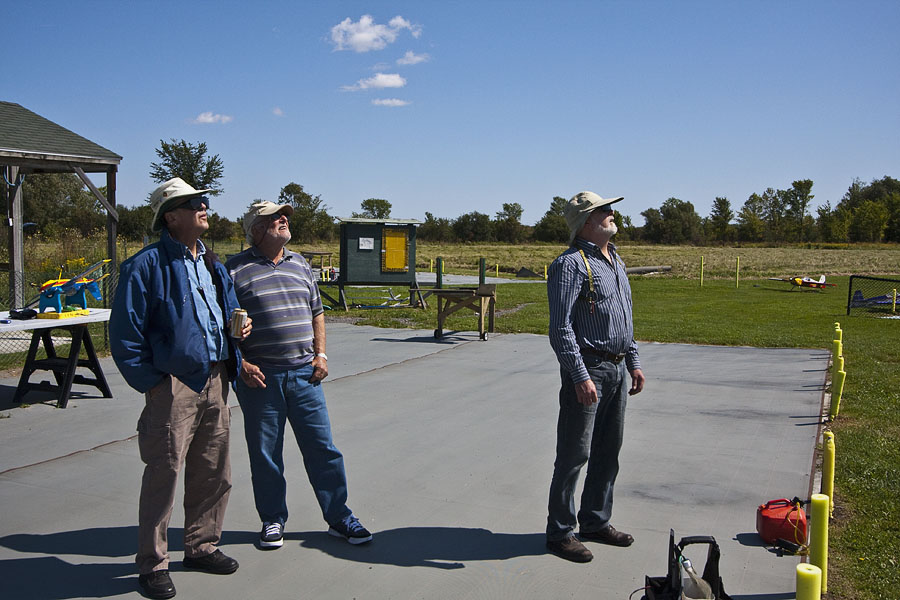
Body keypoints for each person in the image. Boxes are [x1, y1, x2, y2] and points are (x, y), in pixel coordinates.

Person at [110, 177, 251, 599]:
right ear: (171, 216)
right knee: (163, 474)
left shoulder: (212, 263)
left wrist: (239, 326)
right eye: (193, 203)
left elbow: (226, 312)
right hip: (172, 385)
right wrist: (153, 385)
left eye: (204, 201)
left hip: (216, 378)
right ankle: (153, 564)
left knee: (213, 469)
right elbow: (124, 335)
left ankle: (201, 546)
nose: (204, 207)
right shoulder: (145, 266)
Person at [225, 200, 372, 551]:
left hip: (305, 375)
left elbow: (317, 313)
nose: (283, 219)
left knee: (323, 449)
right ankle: (272, 519)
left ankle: (339, 517)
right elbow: (225, 325)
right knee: (265, 454)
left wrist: (321, 354)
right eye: (275, 216)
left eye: (284, 216)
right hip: (260, 378)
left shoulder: (300, 264)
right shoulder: (233, 270)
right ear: (256, 229)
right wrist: (240, 363)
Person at [545, 190, 646, 563]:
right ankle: (559, 533)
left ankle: (595, 521)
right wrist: (579, 375)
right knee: (575, 453)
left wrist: (632, 361)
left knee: (608, 450)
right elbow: (561, 329)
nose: (610, 213)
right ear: (586, 222)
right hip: (589, 371)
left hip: (617, 368)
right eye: (603, 210)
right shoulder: (569, 265)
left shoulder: (614, 259)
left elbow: (625, 317)